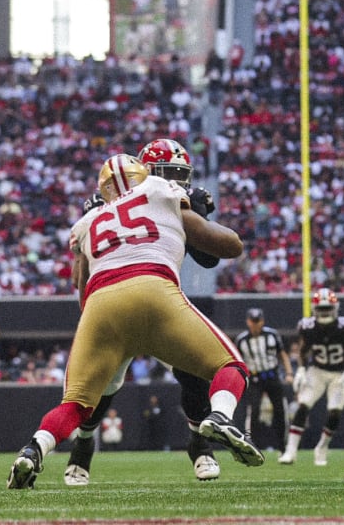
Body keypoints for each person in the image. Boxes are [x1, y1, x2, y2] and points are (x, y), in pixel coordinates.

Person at [7, 154, 262, 489]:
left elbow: (79, 283)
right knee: (231, 367)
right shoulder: (159, 188)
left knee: (76, 404)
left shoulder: (90, 219)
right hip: (154, 289)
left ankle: (33, 449)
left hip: (100, 303)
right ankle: (219, 417)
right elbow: (228, 246)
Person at [64, 138, 225, 485]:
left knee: (193, 373)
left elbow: (209, 258)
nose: (176, 183)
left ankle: (200, 445)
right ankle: (84, 445)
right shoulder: (103, 201)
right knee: (103, 385)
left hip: (161, 298)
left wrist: (194, 213)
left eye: (180, 176)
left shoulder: (177, 199)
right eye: (167, 175)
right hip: (116, 297)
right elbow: (83, 267)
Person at [279, 288, 344, 467]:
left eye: (328, 308)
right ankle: (291, 450)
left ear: (335, 308)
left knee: (335, 411)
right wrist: (301, 370)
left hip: (340, 373)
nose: (325, 312)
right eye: (321, 308)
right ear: (314, 309)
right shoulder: (308, 327)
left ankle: (322, 447)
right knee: (303, 405)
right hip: (317, 371)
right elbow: (303, 351)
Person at [236, 307, 293, 454]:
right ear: (248, 322)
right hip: (254, 379)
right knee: (253, 412)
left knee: (280, 411)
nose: (255, 324)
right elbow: (238, 361)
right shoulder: (242, 339)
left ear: (262, 321)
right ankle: (252, 446)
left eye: (258, 321)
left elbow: (282, 354)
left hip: (272, 376)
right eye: (253, 321)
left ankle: (283, 446)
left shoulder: (272, 335)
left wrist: (289, 372)